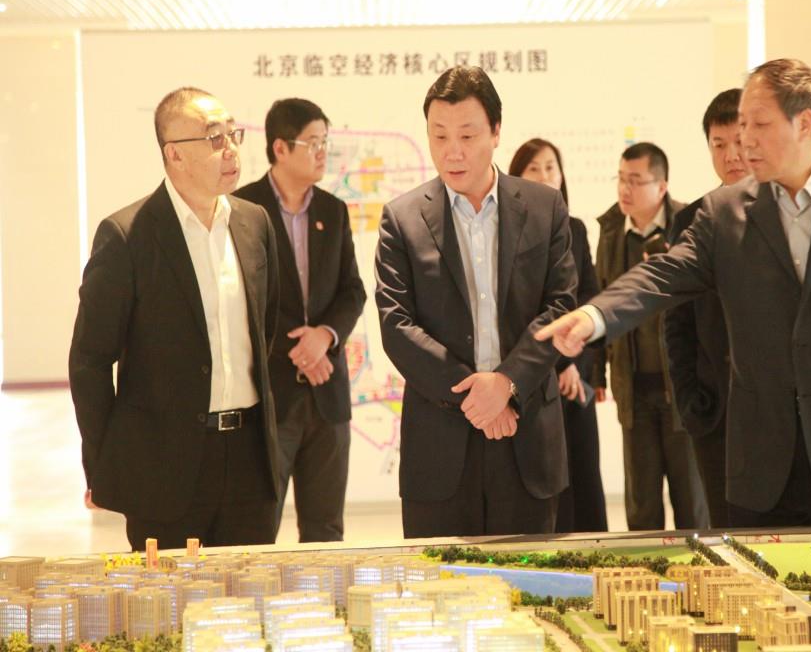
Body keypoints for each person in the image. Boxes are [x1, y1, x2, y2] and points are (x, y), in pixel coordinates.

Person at [537, 58, 811, 527]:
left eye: (759, 124)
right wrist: (595, 316)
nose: (745, 139)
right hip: (763, 469)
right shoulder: (724, 214)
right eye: (741, 125)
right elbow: (664, 274)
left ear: (803, 123)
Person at [69, 86, 282, 550]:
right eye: (214, 137)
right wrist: (105, 465)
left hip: (250, 463)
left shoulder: (255, 223)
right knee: (168, 595)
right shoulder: (127, 235)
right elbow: (89, 361)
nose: (230, 149)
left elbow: (265, 332)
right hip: (164, 466)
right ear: (175, 154)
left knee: (248, 592)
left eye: (233, 134)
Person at [374, 66, 576, 538]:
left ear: (496, 132)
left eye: (467, 135)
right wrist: (477, 396)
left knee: (529, 577)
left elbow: (560, 305)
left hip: (526, 435)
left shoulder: (544, 207)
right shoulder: (403, 218)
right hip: (439, 446)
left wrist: (507, 383)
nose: (453, 151)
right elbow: (396, 325)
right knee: (439, 579)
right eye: (439, 135)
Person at [235, 98, 366, 542]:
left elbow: (353, 290)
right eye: (313, 142)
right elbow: (241, 300)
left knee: (325, 530)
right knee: (257, 528)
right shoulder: (242, 209)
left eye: (325, 141)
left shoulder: (333, 210)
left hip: (328, 395)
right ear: (280, 148)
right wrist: (299, 348)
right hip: (269, 396)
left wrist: (324, 337)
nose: (322, 151)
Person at [592, 142, 708, 531]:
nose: (624, 189)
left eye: (635, 181)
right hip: (633, 388)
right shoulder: (611, 231)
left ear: (661, 186)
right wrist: (596, 371)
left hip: (682, 389)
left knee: (692, 499)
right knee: (641, 503)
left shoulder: (688, 225)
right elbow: (601, 297)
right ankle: (647, 566)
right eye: (621, 179)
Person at [508, 137, 608, 533]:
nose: (545, 175)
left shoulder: (576, 230)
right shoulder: (509, 234)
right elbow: (524, 311)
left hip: (575, 379)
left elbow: (589, 301)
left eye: (551, 166)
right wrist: (557, 363)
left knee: (584, 477)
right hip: (532, 379)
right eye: (534, 168)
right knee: (542, 487)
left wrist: (575, 367)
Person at [664, 88, 746, 528]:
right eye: (719, 144)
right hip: (714, 411)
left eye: (739, 141)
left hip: (779, 413)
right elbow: (676, 323)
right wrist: (690, 401)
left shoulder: (785, 213)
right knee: (724, 527)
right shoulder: (691, 219)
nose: (731, 155)